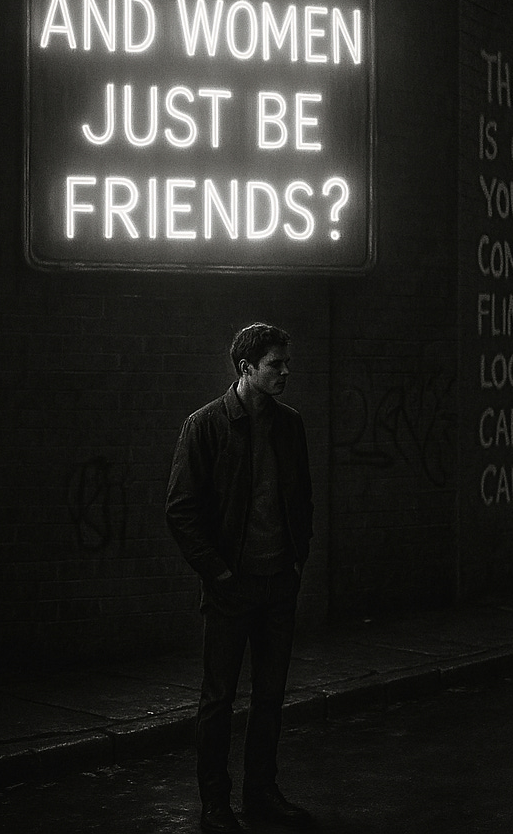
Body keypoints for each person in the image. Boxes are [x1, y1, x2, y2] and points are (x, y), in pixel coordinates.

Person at [166, 323, 314, 833]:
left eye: (286, 363)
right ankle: (215, 803)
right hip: (232, 588)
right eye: (276, 364)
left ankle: (261, 794)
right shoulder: (205, 426)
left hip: (278, 584)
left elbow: (303, 501)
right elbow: (181, 512)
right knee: (219, 699)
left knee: (270, 697)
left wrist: (297, 561)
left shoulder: (289, 426)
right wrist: (221, 574)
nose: (285, 373)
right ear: (246, 368)